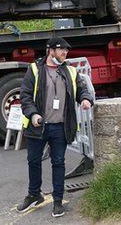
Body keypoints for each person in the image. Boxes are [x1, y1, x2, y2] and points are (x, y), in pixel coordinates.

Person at [15, 36, 95, 218]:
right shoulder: (35, 69)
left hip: (60, 127)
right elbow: (25, 96)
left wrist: (85, 99)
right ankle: (34, 194)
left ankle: (58, 200)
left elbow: (82, 89)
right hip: (38, 126)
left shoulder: (71, 71)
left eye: (66, 51)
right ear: (50, 51)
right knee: (33, 161)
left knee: (58, 163)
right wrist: (33, 114)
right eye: (61, 50)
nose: (65, 53)